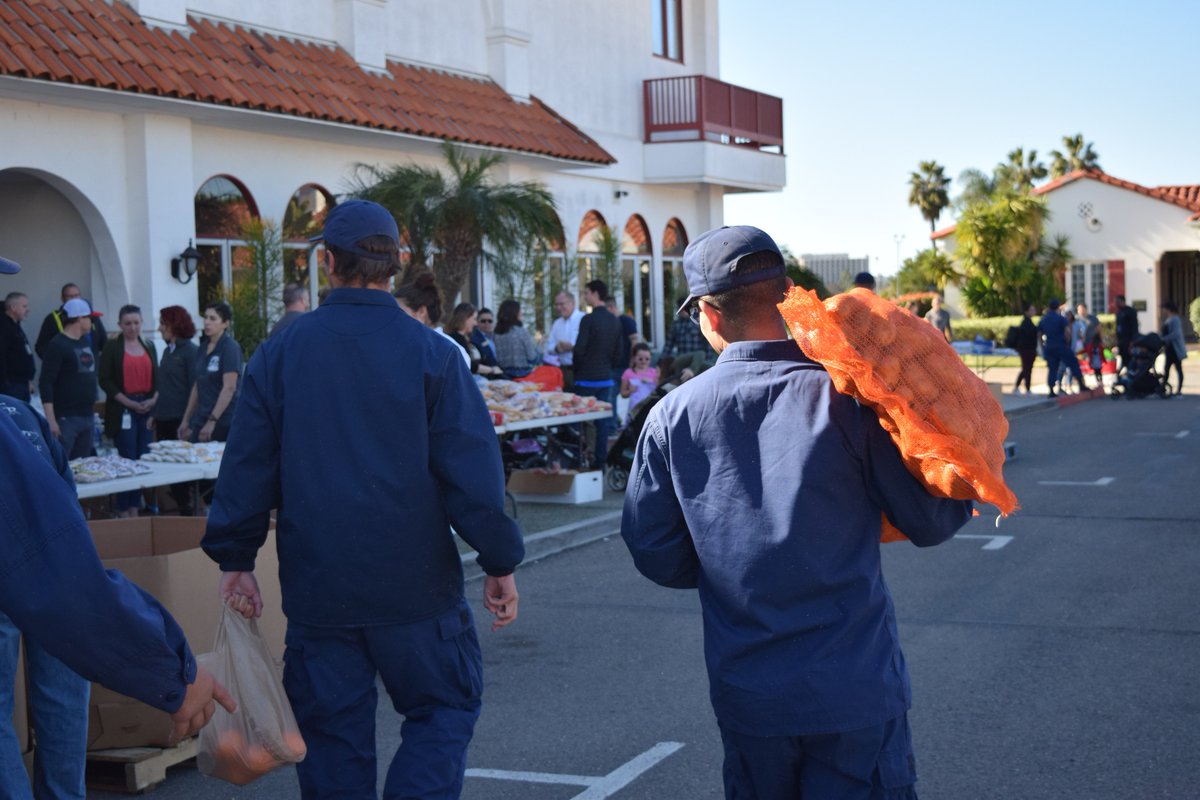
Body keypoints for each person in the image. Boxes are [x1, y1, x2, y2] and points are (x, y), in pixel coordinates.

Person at [620, 226, 972, 800]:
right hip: (854, 690)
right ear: (789, 296)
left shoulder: (670, 416)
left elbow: (656, 553)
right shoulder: (852, 400)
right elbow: (931, 522)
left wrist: (726, 561)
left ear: (708, 316)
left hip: (750, 694)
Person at [201, 199, 524, 798]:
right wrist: (499, 559)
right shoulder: (432, 354)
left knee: (329, 741)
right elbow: (472, 473)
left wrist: (236, 560)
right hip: (416, 588)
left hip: (321, 589)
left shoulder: (281, 353)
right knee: (442, 711)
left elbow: (246, 465)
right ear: (395, 265)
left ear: (328, 263)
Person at [0, 255, 233, 797]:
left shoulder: (19, 418)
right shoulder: (19, 418)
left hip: (38, 587)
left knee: (60, 683)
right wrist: (173, 673)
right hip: (40, 587)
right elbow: (59, 572)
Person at [99, 305, 159, 517]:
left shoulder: (149, 345)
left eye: (136, 322)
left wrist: (153, 401)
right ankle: (124, 510)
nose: (133, 327)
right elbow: (105, 380)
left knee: (142, 458)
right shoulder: (113, 347)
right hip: (123, 407)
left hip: (146, 406)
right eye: (128, 323)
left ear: (142, 323)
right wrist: (128, 403)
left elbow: (157, 378)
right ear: (119, 325)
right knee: (127, 460)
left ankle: (137, 507)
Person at [38, 297, 101, 459]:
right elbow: (46, 382)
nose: (92, 322)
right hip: (66, 418)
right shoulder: (57, 345)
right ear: (80, 318)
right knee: (63, 464)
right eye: (90, 318)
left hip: (87, 415)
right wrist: (51, 420)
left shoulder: (84, 342)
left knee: (84, 465)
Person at [150, 305, 199, 515]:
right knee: (169, 470)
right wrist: (155, 412)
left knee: (183, 474)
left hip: (180, 420)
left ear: (175, 325)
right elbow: (164, 386)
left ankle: (188, 515)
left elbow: (195, 388)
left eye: (163, 323)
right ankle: (181, 510)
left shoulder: (190, 351)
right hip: (164, 418)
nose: (160, 328)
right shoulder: (168, 351)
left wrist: (188, 421)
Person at [573, 279, 623, 469]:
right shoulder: (614, 320)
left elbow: (579, 350)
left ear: (595, 294)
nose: (585, 296)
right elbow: (619, 353)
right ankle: (600, 461)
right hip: (605, 377)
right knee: (603, 422)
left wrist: (577, 372)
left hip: (585, 378)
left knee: (581, 421)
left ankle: (582, 458)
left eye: (586, 293)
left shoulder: (588, 319)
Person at [179, 301, 241, 444]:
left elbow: (229, 387)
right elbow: (197, 385)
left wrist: (212, 421)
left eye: (212, 319)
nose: (206, 322)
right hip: (202, 417)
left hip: (223, 419)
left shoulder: (230, 348)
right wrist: (186, 420)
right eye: (205, 318)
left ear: (225, 323)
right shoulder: (202, 348)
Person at [35, 282, 107, 361]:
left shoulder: (91, 316)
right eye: (70, 296)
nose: (74, 299)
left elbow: (103, 343)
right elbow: (41, 348)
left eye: (77, 295)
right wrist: (57, 362)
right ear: (62, 298)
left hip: (90, 368)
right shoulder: (52, 319)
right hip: (65, 370)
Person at [1038, 299, 1083, 398]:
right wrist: (1067, 342)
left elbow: (1040, 334)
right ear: (1057, 307)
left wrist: (1043, 346)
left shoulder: (1044, 319)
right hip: (1060, 345)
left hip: (1049, 346)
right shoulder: (1060, 318)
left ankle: (1051, 390)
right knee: (1073, 362)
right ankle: (1081, 383)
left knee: (1052, 368)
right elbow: (1067, 332)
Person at [447, 302, 504, 377]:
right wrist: (492, 370)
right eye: (474, 319)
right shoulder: (457, 339)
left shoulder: (461, 337)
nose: (475, 323)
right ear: (465, 318)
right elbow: (468, 364)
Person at [660, 296, 717, 366]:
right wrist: (661, 361)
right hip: (682, 360)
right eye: (681, 309)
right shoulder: (676, 325)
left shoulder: (698, 322)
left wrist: (708, 360)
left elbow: (707, 342)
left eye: (685, 309)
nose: (683, 311)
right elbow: (668, 345)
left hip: (697, 360)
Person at [543, 291, 583, 390]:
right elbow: (548, 347)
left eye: (561, 304)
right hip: (563, 370)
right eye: (556, 305)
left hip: (581, 369)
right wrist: (557, 348)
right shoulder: (557, 323)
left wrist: (573, 347)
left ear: (572, 303)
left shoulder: (583, 319)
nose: (558, 308)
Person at [492, 298, 540, 378]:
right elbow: (532, 358)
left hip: (503, 375)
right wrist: (538, 348)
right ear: (515, 313)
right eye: (520, 310)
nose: (521, 313)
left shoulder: (496, 334)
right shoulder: (522, 332)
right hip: (523, 375)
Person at [0, 292, 35, 400]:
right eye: (24, 306)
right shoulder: (4, 327)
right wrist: (4, 384)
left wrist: (28, 380)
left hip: (22, 383)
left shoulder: (16, 326)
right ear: (13, 307)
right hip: (11, 385)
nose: (27, 309)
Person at [619, 342, 656, 425]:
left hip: (651, 408)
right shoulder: (628, 373)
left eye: (647, 359)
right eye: (640, 359)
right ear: (634, 358)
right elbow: (623, 393)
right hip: (634, 410)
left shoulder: (654, 373)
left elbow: (659, 389)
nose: (643, 361)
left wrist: (651, 382)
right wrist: (630, 391)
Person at [1160, 300, 1187, 395]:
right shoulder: (1168, 319)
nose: (1162, 310)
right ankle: (1163, 388)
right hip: (1169, 348)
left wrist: (1164, 339)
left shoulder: (1175, 319)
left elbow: (1176, 333)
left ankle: (1179, 390)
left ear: (1167, 309)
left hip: (1174, 349)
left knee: (1178, 369)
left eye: (1163, 308)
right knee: (1166, 369)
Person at [1013, 303, 1039, 395]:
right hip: (1026, 349)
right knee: (1027, 369)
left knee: (1026, 369)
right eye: (1031, 310)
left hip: (1028, 349)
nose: (1034, 311)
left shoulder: (1028, 322)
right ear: (1027, 311)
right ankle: (1027, 388)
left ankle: (1018, 387)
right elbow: (1028, 337)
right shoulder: (1026, 323)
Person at [1114, 295, 1139, 375]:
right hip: (1121, 340)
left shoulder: (1130, 311)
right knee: (1123, 356)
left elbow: (1134, 327)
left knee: (1129, 357)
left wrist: (1132, 341)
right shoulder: (1119, 313)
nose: (1116, 304)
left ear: (1123, 301)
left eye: (1118, 302)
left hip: (1128, 339)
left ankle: (1131, 372)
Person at [471, 306, 500, 371]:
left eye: (490, 321)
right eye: (483, 321)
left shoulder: (494, 336)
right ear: (477, 322)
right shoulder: (474, 338)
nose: (487, 323)